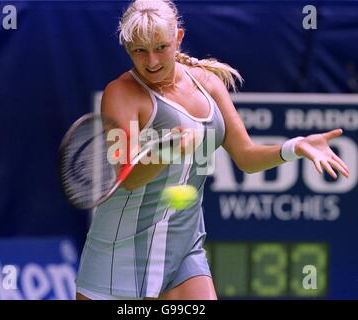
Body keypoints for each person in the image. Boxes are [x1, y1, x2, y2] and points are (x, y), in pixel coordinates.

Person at [75, 0, 350, 300]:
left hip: (183, 248)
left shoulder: (208, 83)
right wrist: (169, 151)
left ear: (178, 37)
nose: (151, 61)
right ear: (127, 47)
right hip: (119, 254)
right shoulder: (121, 94)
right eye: (139, 50)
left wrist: (296, 146)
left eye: (161, 48)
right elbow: (127, 176)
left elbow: (246, 157)